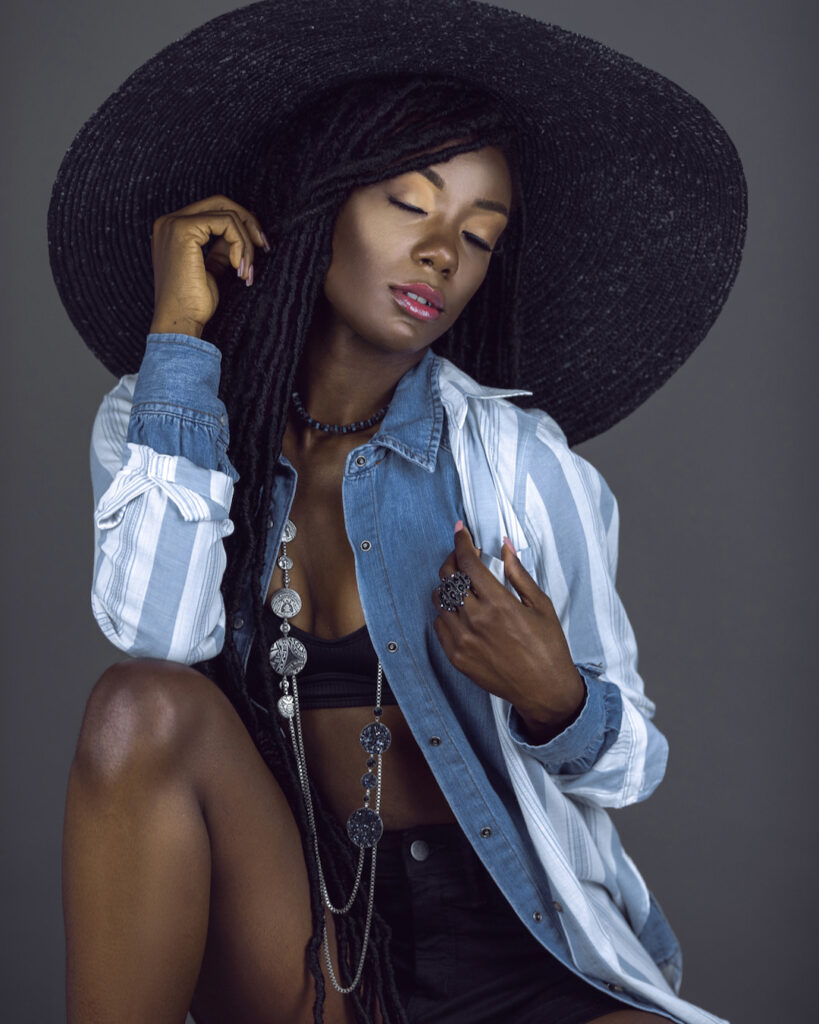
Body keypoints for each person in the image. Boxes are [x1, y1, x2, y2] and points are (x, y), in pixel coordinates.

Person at [48, 2, 747, 1023]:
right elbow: (155, 637)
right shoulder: (168, 418)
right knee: (136, 705)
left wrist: (558, 696)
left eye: (476, 235)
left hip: (508, 948)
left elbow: (633, 762)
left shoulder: (514, 465)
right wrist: (180, 340)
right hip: (305, 932)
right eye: (404, 203)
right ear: (317, 203)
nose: (440, 254)